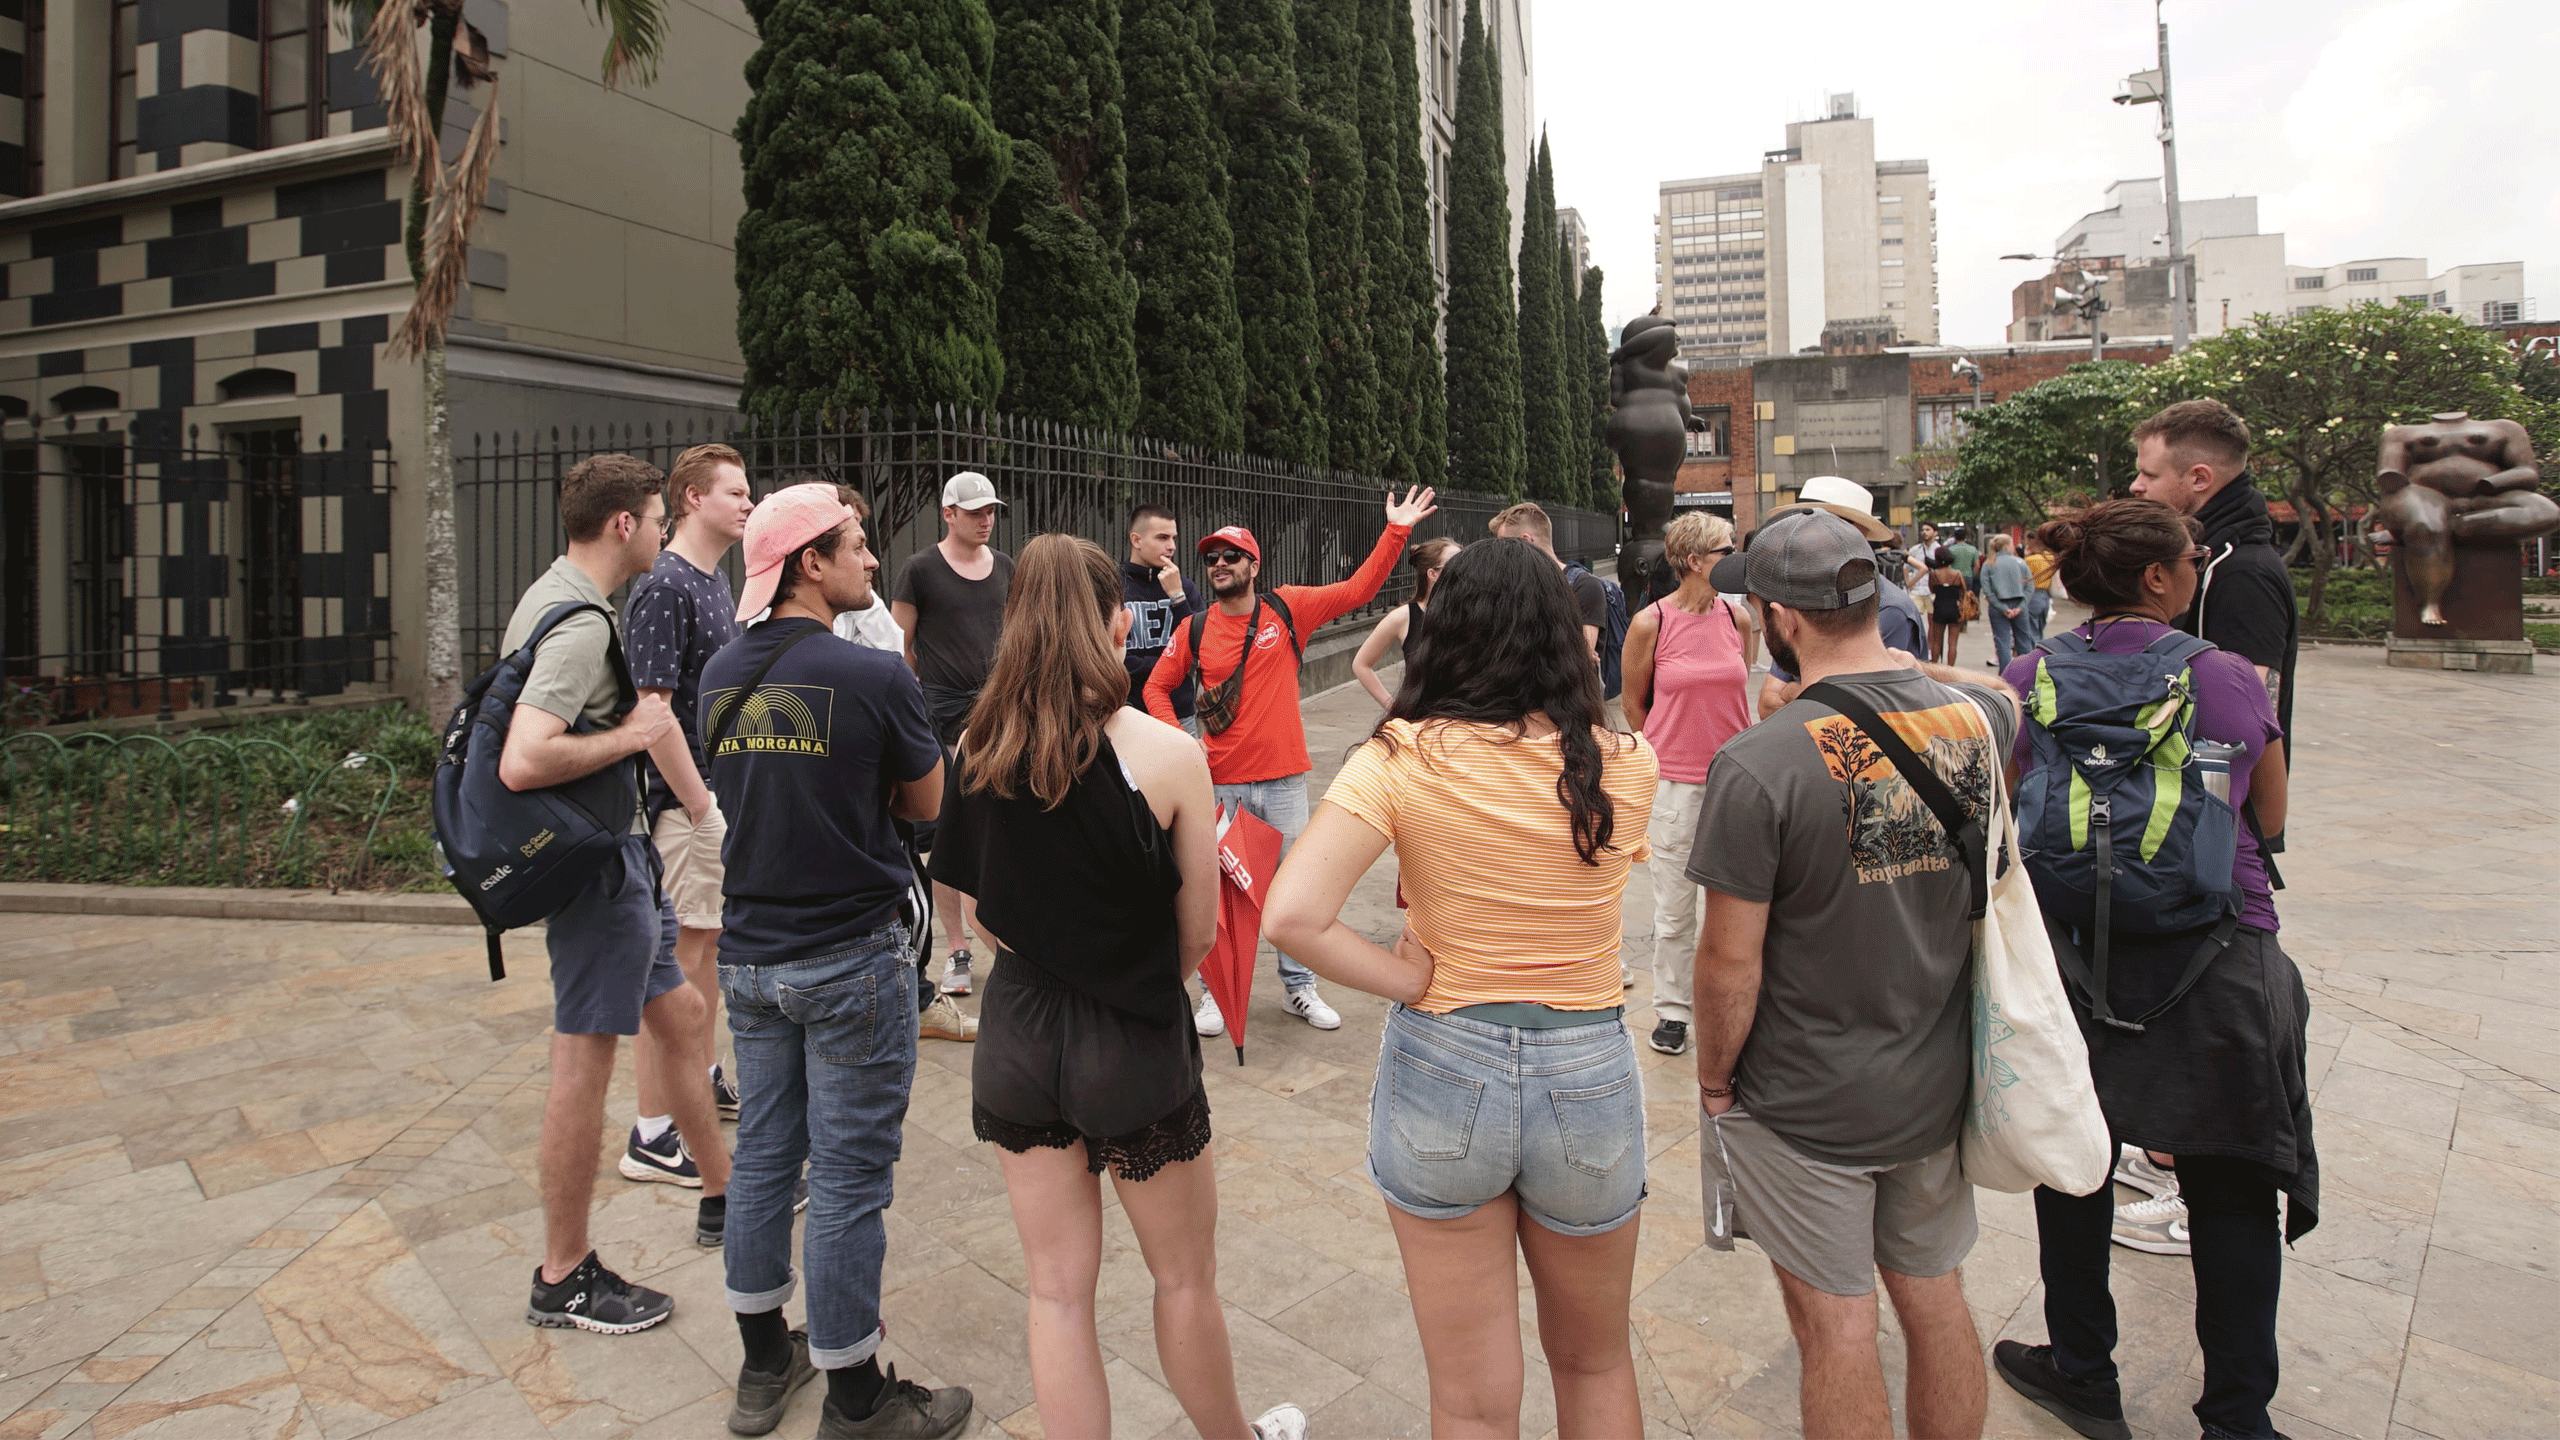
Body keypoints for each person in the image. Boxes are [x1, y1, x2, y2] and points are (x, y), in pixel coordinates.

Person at [1263, 538, 1659, 1439]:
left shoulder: (1404, 756)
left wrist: (1402, 974)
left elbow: (1293, 916)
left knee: (1471, 1401)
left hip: (1445, 1063)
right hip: (1587, 1067)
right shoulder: (1624, 762)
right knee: (1596, 1362)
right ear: (1567, 638)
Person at [931, 535, 1307, 1440]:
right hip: (1131, 1029)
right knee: (1182, 1279)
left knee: (1056, 1293)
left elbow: (977, 911)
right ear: (1111, 623)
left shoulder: (978, 742)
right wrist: (1130, 984)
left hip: (1017, 1029)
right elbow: (1199, 930)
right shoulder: (1165, 753)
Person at [1689, 508, 2018, 1440]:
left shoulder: (1758, 765)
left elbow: (1727, 964)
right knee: (1935, 1297)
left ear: (1780, 620)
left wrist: (1716, 1079)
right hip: (1934, 1080)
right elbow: (2003, 691)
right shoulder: (1978, 722)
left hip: (1809, 1098)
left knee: (1835, 1326)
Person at [1993, 499, 2316, 1440]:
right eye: (2189, 559)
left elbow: (2010, 810)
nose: (2195, 569)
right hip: (2220, 953)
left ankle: (2083, 1369)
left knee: (2078, 1163)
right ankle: (2237, 1415)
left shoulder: (2027, 674)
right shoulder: (2224, 676)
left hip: (2074, 957)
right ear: (2155, 580)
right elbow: (2273, 813)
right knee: (2232, 1180)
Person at [703, 485, 973, 1439]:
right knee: (852, 1176)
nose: (870, 561)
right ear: (808, 565)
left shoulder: (718, 674)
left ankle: (762, 1360)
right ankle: (858, 1400)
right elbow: (928, 808)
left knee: (767, 1152)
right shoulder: (874, 676)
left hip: (750, 961)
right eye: (856, 547)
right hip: (850, 956)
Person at [498, 453, 730, 1334]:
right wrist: (633, 733)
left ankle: (723, 1192)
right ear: (624, 525)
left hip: (624, 859)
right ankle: (564, 1274)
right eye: (655, 518)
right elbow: (525, 757)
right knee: (582, 1062)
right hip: (597, 870)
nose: (665, 532)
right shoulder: (584, 626)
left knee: (677, 1016)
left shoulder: (552, 595)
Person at [1142, 485, 1440, 1037]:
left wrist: (1396, 529)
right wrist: (1182, 745)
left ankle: (1299, 988)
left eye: (1231, 556)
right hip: (1220, 785)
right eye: (1211, 558)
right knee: (1222, 896)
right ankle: (1215, 995)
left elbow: (1359, 589)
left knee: (1292, 891)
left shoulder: (1288, 607)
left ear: (1253, 563)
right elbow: (1157, 689)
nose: (1220, 564)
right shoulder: (1196, 627)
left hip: (1281, 782)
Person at [620, 444, 756, 1185]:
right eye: (735, 492)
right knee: (676, 968)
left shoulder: (707, 580)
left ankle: (696, 1086)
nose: (747, 503)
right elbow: (653, 710)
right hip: (685, 806)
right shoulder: (666, 586)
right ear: (691, 498)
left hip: (708, 799)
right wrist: (702, 807)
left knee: (701, 955)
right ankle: (652, 1131)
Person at [831, 486, 973, 1046]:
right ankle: (894, 997)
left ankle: (913, 993)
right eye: (856, 540)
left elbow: (893, 654)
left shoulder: (866, 610)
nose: (871, 560)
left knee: (909, 874)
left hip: (885, 773)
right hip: (856, 786)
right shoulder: (918, 572)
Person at [1619, 512, 1755, 1053]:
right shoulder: (1651, 623)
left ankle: (1728, 1004)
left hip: (1735, 783)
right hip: (1676, 786)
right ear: (1694, 561)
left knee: (1734, 908)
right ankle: (1673, 1010)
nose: (1735, 558)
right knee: (1675, 911)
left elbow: (1739, 690)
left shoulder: (1738, 619)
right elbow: (1634, 703)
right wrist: (1660, 752)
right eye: (1726, 551)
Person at [891, 472, 1014, 1000]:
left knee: (1004, 823)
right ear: (948, 514)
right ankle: (957, 948)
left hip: (999, 711)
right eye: (975, 512)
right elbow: (900, 646)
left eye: (990, 511)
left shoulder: (1006, 568)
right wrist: (926, 700)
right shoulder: (920, 569)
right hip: (941, 715)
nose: (985, 520)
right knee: (946, 833)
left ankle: (1005, 936)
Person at [2128, 399, 2299, 742]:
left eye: (2150, 474)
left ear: (2200, 478)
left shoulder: (2241, 572)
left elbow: (2251, 723)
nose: (2136, 485)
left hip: (2211, 791)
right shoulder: (2203, 555)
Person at [1753, 479, 1927, 719]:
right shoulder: (1799, 598)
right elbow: (1768, 703)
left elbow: (1864, 713)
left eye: (1816, 524)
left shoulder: (1890, 610)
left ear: (1855, 532)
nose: (1800, 535)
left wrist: (1794, 691)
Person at [1121, 504, 1209, 732]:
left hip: (1179, 711)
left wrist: (1177, 598)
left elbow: (1200, 648)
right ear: (1136, 540)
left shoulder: (1184, 587)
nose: (1171, 546)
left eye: (1173, 538)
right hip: (1127, 711)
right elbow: (1109, 656)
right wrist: (1170, 667)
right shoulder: (1114, 585)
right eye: (1162, 538)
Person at [1351, 537, 1461, 709]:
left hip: (1464, 720)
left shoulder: (1471, 611)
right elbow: (1361, 664)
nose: (1463, 570)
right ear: (1433, 574)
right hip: (1420, 719)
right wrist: (1392, 706)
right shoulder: (1404, 617)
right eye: (1455, 565)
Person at [1490, 503, 1606, 662]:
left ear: (1526, 541)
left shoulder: (1584, 586)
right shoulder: (1514, 588)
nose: (1501, 554)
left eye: (1505, 545)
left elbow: (1579, 658)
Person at [1979, 533, 2035, 670]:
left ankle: (2005, 675)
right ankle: (2025, 673)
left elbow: (1987, 590)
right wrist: (2021, 607)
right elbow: (2030, 587)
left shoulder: (1988, 564)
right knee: (2023, 640)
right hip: (2019, 604)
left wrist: (2002, 607)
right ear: (2006, 546)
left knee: (2002, 641)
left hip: (1997, 606)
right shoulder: (2021, 562)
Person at [1926, 547, 1970, 666]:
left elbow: (1931, 589)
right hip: (1954, 608)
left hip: (1939, 607)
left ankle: (1935, 667)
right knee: (1952, 643)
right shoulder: (1957, 574)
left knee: (1936, 642)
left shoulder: (1934, 574)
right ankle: (1950, 669)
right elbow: (1964, 591)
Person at [2023, 533, 2059, 644]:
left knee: (2032, 628)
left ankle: (2035, 654)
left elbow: (2024, 578)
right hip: (2046, 595)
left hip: (2033, 594)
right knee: (2040, 628)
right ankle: (2040, 647)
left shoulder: (2030, 560)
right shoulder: (2051, 558)